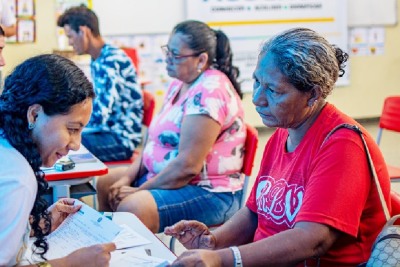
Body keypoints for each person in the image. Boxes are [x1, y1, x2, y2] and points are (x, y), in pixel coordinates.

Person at [164, 28, 391, 266]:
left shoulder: (343, 145)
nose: (257, 98)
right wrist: (212, 242)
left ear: (313, 94)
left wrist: (223, 259)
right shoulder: (282, 132)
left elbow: (312, 240)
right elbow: (254, 212)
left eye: (273, 90)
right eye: (257, 82)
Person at [96, 20, 246, 233]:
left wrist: (138, 189)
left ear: (201, 59)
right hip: (171, 179)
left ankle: (132, 256)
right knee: (106, 183)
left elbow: (187, 167)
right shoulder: (179, 83)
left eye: (175, 55)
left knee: (132, 206)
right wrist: (128, 177)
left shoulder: (209, 91)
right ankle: (109, 250)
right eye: (168, 50)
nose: (167, 58)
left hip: (209, 192)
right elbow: (152, 143)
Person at [0, 54, 115, 266]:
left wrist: (37, 224)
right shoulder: (16, 179)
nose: (76, 144)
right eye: (72, 129)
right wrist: (70, 263)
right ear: (34, 115)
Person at [57, 5, 143, 162]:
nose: (70, 43)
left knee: (61, 142)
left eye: (70, 36)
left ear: (83, 31)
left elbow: (100, 115)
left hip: (120, 139)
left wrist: (67, 125)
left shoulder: (111, 60)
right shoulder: (98, 58)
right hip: (106, 132)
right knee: (59, 137)